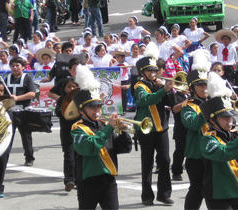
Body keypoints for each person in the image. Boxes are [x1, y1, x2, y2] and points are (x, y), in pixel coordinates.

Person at [71, 65, 132, 209]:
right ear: (82, 110)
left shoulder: (104, 125)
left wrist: (123, 132)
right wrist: (110, 128)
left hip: (108, 180)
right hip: (88, 181)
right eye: (92, 107)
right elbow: (90, 147)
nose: (97, 110)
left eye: (98, 106)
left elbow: (124, 148)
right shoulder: (77, 128)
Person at [133, 44, 175, 205]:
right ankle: (147, 196)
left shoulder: (159, 84)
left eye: (155, 70)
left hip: (161, 127)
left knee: (165, 160)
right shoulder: (139, 86)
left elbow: (171, 102)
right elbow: (145, 100)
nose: (153, 73)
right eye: (150, 71)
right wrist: (163, 90)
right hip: (147, 128)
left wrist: (170, 90)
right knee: (147, 162)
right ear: (143, 73)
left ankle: (164, 194)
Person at [200, 89, 238, 210]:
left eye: (230, 117)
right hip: (218, 194)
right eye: (225, 118)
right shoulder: (208, 139)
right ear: (213, 120)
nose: (230, 121)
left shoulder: (233, 135)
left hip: (237, 189)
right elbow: (224, 153)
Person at [46, 54, 81, 191]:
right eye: (75, 69)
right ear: (70, 70)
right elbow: (50, 93)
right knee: (69, 153)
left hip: (82, 123)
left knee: (82, 153)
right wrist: (65, 100)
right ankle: (69, 180)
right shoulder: (63, 81)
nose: (77, 72)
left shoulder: (85, 83)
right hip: (66, 123)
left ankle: (80, 179)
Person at [179, 62, 210, 210]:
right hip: (196, 155)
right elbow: (193, 124)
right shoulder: (188, 106)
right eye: (200, 85)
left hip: (212, 152)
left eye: (206, 85)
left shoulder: (212, 102)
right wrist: (208, 108)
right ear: (192, 88)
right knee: (196, 190)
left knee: (212, 190)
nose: (205, 88)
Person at [4, 57, 37, 166]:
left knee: (26, 135)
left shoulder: (27, 78)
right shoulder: (7, 78)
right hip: (9, 112)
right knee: (8, 136)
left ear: (23, 67)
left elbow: (32, 93)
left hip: (23, 111)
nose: (15, 68)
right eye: (12, 66)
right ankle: (4, 158)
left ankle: (29, 158)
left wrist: (17, 98)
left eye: (17, 65)